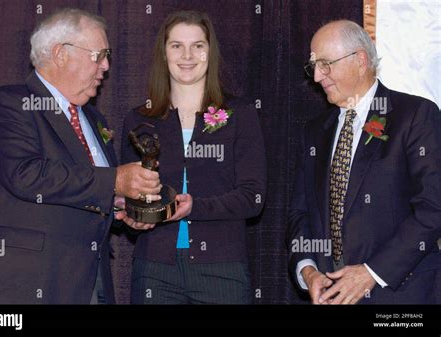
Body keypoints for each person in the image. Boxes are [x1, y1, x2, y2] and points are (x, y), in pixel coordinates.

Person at [0, 8, 160, 304]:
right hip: (24, 285)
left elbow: (88, 189)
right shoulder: (9, 103)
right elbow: (26, 175)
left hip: (90, 285)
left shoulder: (97, 121)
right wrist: (114, 181)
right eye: (98, 55)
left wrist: (121, 207)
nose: (106, 66)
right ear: (60, 54)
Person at [287, 20, 441, 304]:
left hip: (402, 296)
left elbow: (433, 209)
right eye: (314, 67)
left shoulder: (415, 116)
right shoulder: (313, 132)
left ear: (360, 60)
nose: (318, 77)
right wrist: (308, 269)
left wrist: (372, 272)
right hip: (331, 297)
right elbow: (300, 213)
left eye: (325, 64)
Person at [119, 10, 266, 304]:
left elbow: (254, 197)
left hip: (222, 269)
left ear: (210, 53)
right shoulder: (138, 119)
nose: (187, 55)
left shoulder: (241, 114)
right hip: (154, 270)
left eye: (198, 45)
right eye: (176, 45)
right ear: (163, 53)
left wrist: (195, 207)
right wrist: (129, 217)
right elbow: (124, 193)